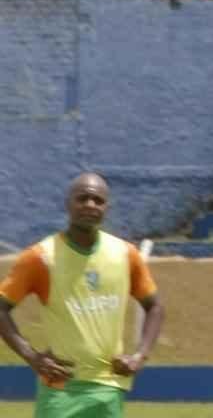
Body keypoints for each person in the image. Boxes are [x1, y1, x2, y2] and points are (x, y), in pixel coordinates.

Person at [0, 173, 165, 418]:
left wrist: (139, 356)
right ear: (68, 204)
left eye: (98, 200)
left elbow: (155, 307)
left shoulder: (124, 254)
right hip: (61, 389)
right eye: (82, 198)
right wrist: (31, 356)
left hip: (109, 389)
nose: (90, 205)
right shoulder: (42, 257)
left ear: (106, 208)